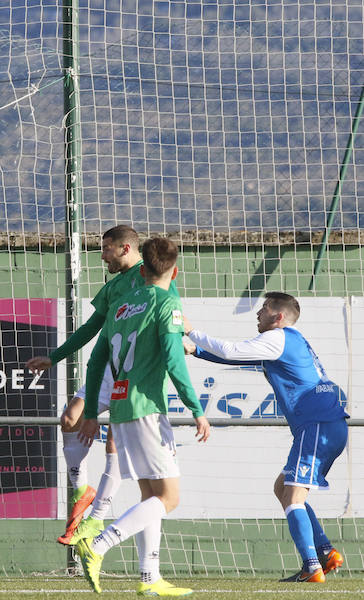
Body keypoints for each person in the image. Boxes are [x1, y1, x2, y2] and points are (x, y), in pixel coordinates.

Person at [75, 237, 210, 596]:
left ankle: (150, 579)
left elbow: (95, 361)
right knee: (169, 498)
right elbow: (174, 360)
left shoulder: (120, 304)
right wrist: (196, 409)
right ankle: (98, 544)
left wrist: (91, 411)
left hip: (120, 408)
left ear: (142, 268)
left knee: (150, 494)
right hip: (147, 408)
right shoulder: (168, 303)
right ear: (174, 271)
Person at [26, 225, 177, 545]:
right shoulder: (114, 286)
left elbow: (170, 312)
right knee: (70, 420)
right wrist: (54, 357)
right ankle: (83, 490)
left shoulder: (151, 274)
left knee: (116, 448)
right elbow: (91, 327)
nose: (102, 255)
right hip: (110, 367)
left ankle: (96, 520)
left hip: (137, 375)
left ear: (125, 248)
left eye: (106, 249)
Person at [184, 292, 348, 583]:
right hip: (325, 424)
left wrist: (191, 331)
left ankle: (312, 567)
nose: (257, 314)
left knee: (295, 497)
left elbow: (231, 350)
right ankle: (325, 552)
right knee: (283, 488)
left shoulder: (278, 337)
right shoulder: (287, 341)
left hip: (317, 425)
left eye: (264, 309)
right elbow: (238, 360)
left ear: (278, 316)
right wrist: (196, 351)